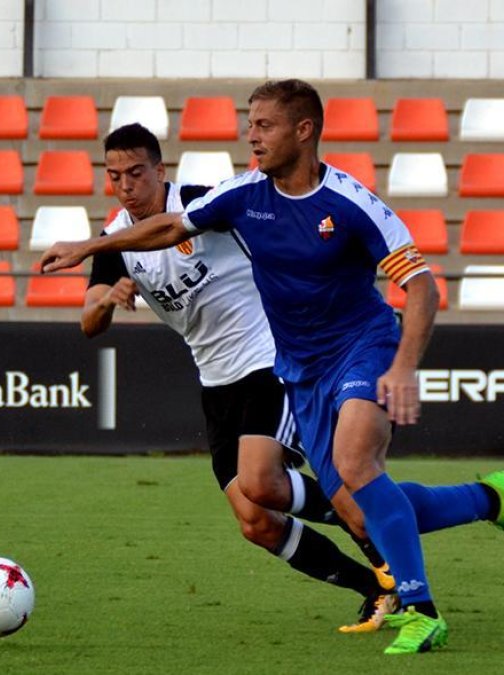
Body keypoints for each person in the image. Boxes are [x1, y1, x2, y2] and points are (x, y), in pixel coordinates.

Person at [43, 82, 504, 655]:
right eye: (250, 124)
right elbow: (167, 231)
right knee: (344, 508)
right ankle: (489, 500)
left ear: (304, 131)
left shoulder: (348, 203)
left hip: (346, 348)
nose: (251, 136)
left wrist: (405, 367)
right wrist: (93, 252)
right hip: (289, 369)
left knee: (351, 467)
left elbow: (422, 287)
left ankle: (420, 607)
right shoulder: (238, 197)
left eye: (264, 126)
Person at [74, 122, 397, 633]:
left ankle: (384, 545)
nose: (126, 185)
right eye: (114, 176)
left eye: (136, 173)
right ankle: (372, 584)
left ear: (161, 171)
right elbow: (88, 320)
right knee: (255, 520)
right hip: (216, 380)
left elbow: (265, 227)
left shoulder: (204, 204)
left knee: (261, 480)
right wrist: (108, 303)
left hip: (270, 359)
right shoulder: (115, 241)